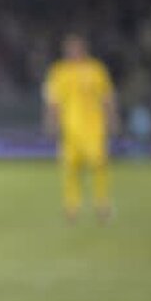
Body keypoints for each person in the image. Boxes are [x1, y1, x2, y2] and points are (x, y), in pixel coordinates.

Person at [42, 33, 118, 222]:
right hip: (70, 129)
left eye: (76, 48)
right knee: (70, 169)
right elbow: (53, 101)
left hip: (94, 128)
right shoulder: (59, 71)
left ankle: (102, 205)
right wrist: (51, 122)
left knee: (98, 165)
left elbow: (107, 97)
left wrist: (112, 118)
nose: (73, 52)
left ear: (84, 49)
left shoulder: (96, 70)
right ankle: (72, 207)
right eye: (70, 49)